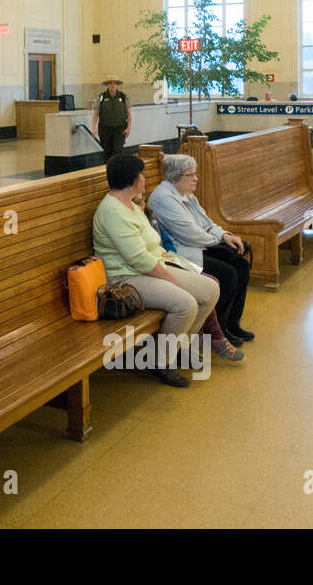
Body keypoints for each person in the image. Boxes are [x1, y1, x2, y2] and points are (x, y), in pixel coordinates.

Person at [92, 154, 219, 387]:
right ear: (131, 181)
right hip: (124, 278)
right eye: (141, 175)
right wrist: (172, 279)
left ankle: (178, 346)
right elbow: (138, 258)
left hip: (150, 267)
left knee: (210, 289)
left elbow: (150, 243)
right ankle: (160, 361)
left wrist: (172, 262)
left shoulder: (130, 204)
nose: (144, 179)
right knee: (185, 303)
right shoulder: (112, 211)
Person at [148, 154, 254, 345]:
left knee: (241, 266)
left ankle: (232, 323)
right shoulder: (164, 198)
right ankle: (215, 332)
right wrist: (217, 242)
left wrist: (225, 236)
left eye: (195, 174)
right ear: (175, 177)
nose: (195, 178)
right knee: (227, 274)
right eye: (190, 175)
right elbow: (190, 234)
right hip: (182, 253)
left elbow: (207, 223)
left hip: (200, 246)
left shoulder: (187, 194)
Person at [92, 75, 132, 163]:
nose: (112, 85)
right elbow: (95, 114)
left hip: (120, 128)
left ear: (117, 85)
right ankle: (108, 172)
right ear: (107, 85)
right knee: (107, 152)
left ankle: (117, 172)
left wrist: (129, 127)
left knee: (117, 151)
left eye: (115, 83)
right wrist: (94, 128)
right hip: (105, 129)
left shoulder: (123, 97)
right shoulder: (101, 97)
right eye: (110, 83)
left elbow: (129, 114)